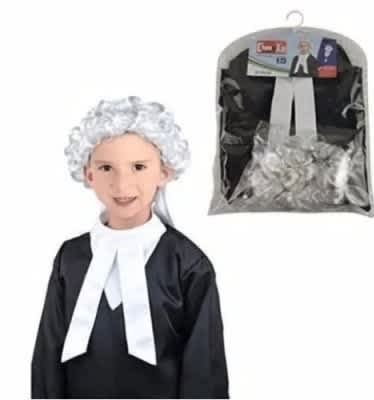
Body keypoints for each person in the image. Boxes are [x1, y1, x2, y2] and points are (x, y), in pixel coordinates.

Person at [31, 96, 229, 399]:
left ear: (164, 172)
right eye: (106, 167)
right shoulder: (70, 258)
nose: (122, 185)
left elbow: (205, 366)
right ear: (88, 174)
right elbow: (48, 354)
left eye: (138, 167)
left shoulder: (188, 264)